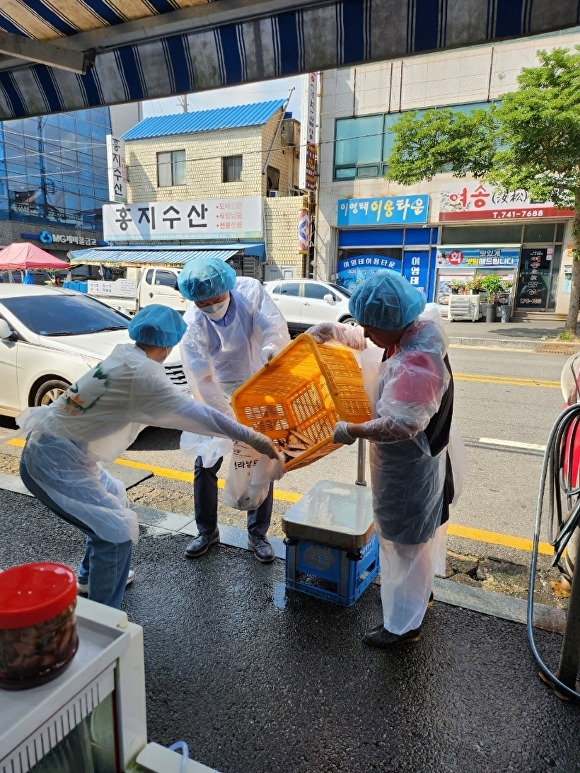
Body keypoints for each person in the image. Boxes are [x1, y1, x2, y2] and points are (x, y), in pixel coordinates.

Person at [17, 305, 280, 609]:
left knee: (114, 496)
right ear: (169, 344)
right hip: (52, 464)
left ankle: (91, 578)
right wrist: (254, 437)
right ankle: (105, 617)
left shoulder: (125, 355)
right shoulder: (145, 376)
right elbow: (200, 415)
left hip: (61, 448)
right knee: (114, 533)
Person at [307, 272, 457, 647]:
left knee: (402, 544)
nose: (365, 333)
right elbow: (376, 341)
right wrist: (336, 332)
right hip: (418, 462)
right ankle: (420, 596)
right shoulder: (413, 330)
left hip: (407, 467)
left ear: (392, 322)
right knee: (417, 540)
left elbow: (404, 423)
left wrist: (352, 430)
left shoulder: (417, 363)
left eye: (370, 326)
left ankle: (403, 627)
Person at [177, 258, 290, 563]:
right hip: (217, 393)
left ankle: (258, 534)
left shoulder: (249, 291)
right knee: (206, 462)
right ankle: (206, 531)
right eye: (204, 302)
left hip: (258, 383)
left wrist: (272, 350)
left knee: (261, 461)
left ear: (227, 286)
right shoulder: (192, 324)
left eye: (216, 298)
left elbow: (274, 327)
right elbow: (200, 379)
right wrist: (227, 420)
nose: (212, 306)